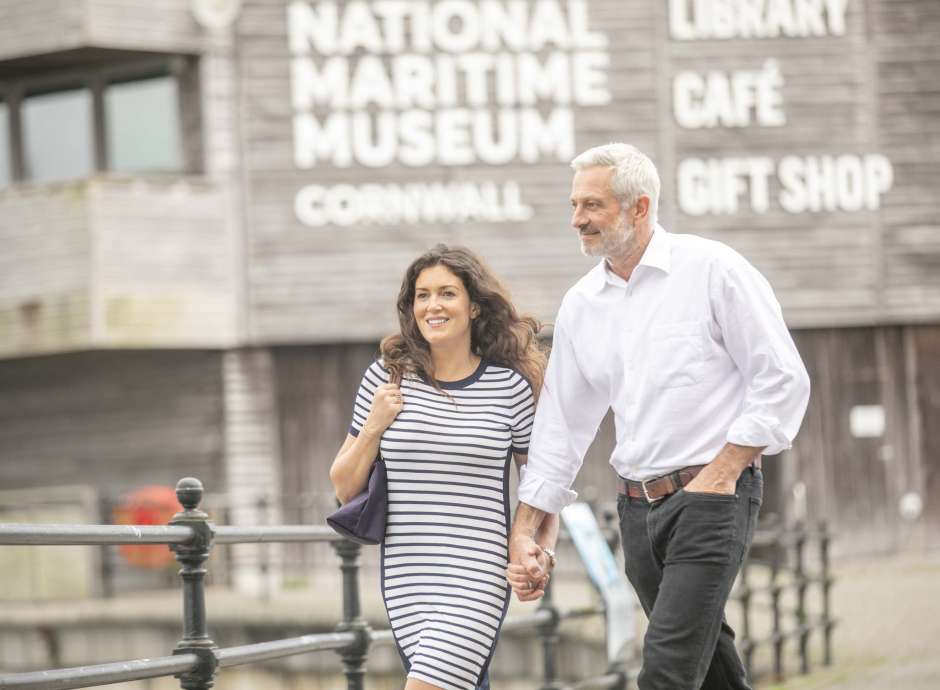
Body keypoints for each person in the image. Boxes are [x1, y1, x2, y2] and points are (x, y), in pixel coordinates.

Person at [506, 143, 811, 689]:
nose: (578, 219)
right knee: (709, 665)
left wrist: (723, 472)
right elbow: (561, 425)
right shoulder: (581, 304)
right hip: (637, 514)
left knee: (667, 671)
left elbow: (782, 378)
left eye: (592, 205)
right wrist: (526, 528)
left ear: (639, 207)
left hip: (711, 501)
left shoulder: (714, 270)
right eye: (575, 205)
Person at [330, 244, 556, 690]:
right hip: (407, 575)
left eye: (447, 293)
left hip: (478, 573)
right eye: (422, 295)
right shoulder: (385, 378)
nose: (433, 305)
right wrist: (374, 426)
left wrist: (540, 550)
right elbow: (343, 486)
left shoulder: (509, 388)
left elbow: (542, 481)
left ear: (473, 306)